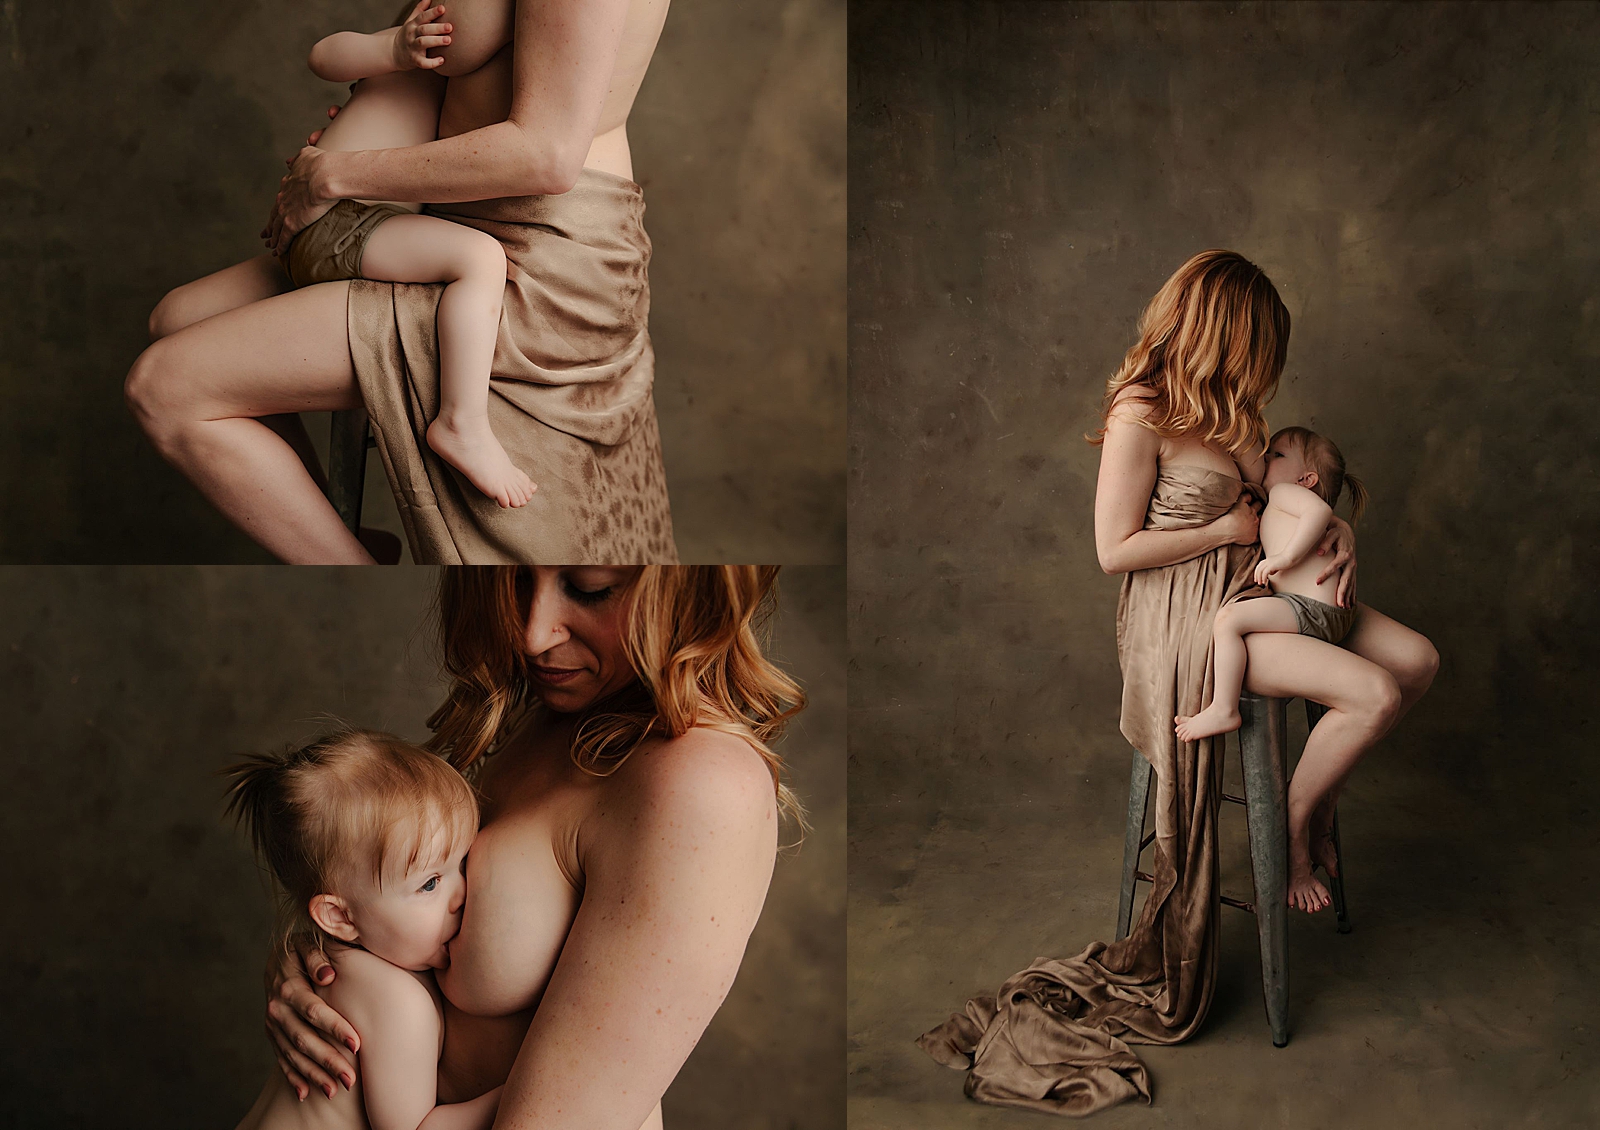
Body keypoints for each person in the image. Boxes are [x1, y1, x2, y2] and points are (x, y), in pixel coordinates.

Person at [919, 250, 1437, 1116]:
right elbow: (1113, 552)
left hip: (1261, 592)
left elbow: (1282, 501)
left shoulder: (1239, 407)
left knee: (1416, 661)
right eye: (1259, 345)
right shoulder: (1140, 413)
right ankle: (1302, 831)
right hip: (1189, 623)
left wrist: (1333, 530)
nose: (1266, 368)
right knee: (1373, 695)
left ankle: (1314, 802)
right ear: (1226, 332)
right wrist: (1224, 529)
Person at [127, 0, 677, 564]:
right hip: (425, 220)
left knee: (165, 389)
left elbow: (549, 156)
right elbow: (387, 72)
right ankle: (330, 531)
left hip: (534, 255)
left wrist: (334, 173)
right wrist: (367, 140)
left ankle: (348, 567)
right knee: (175, 318)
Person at [261, 566, 804, 1130]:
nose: (531, 634)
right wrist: (321, 963)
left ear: (691, 584)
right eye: (515, 582)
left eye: (590, 589)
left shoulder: (700, 785)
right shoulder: (549, 717)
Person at [280, 2, 535, 510]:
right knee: (481, 260)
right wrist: (391, 47)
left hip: (349, 224)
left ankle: (324, 510)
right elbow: (322, 54)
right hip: (341, 219)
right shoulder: (418, 38)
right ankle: (462, 421)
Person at [225, 728, 504, 1130]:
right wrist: (528, 1085)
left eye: (462, 862)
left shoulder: (349, 965)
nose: (464, 892)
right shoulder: (397, 1000)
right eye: (430, 883)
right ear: (340, 918)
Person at [1175, 425, 1373, 911]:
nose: (1265, 456)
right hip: (1330, 613)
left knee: (1231, 618)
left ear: (1304, 478)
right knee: (1237, 620)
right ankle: (1313, 816)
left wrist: (1284, 556)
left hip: (1311, 612)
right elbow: (1325, 515)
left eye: (1276, 453)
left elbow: (1322, 512)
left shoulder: (1286, 493)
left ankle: (1224, 709)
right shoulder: (1279, 494)